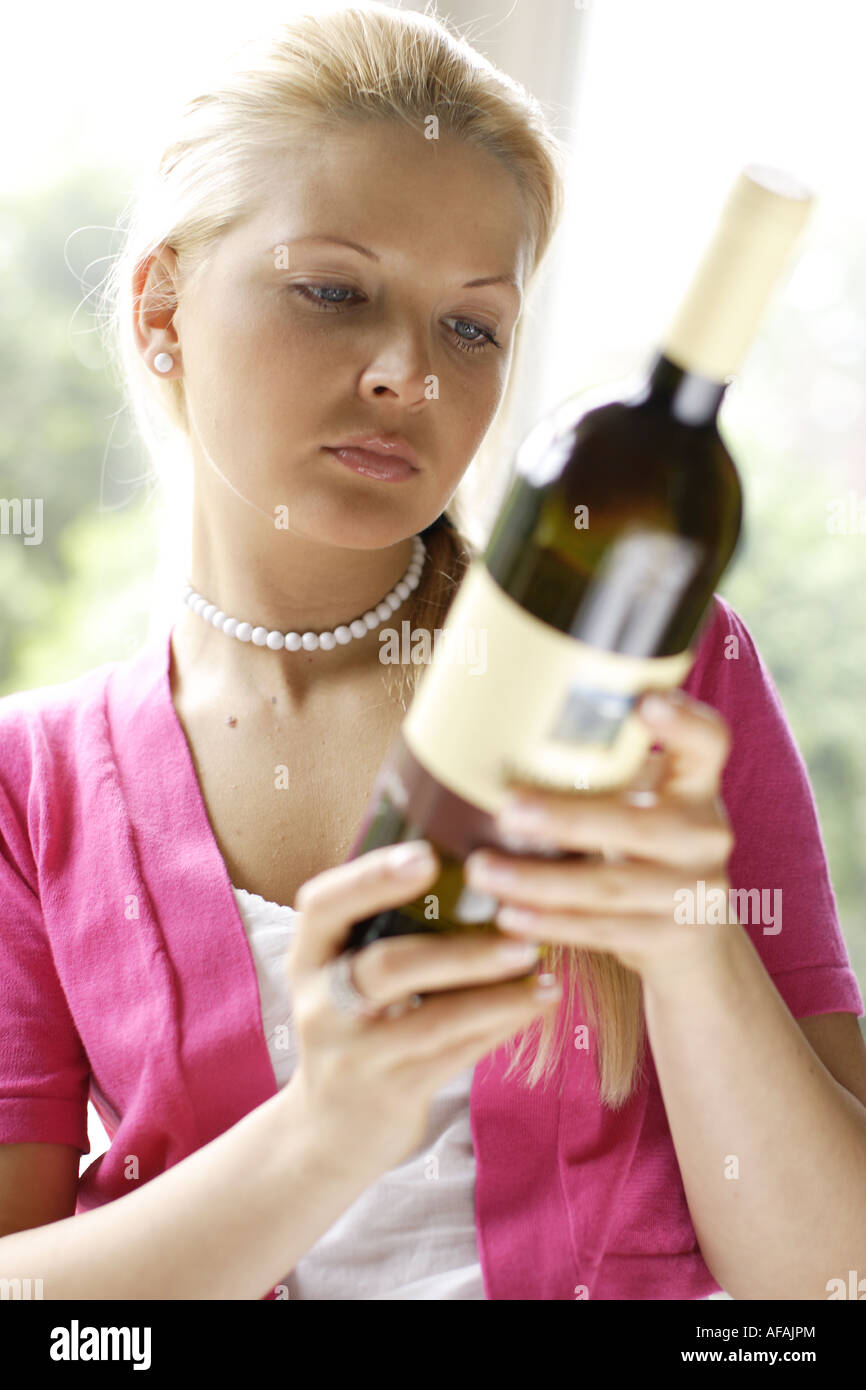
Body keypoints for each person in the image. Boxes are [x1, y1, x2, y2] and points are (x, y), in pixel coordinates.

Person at [1, 3, 865, 1302]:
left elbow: (830, 1285)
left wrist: (692, 943)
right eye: (334, 290)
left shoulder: (655, 676)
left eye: (472, 325)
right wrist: (325, 1129)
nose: (408, 372)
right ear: (163, 308)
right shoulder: (34, 782)